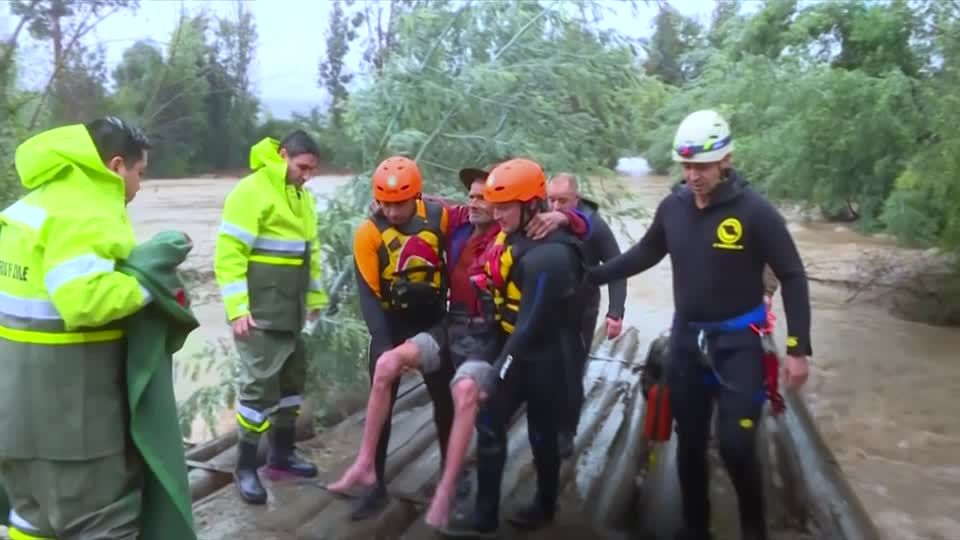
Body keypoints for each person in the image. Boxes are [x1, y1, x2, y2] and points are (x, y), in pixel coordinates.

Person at [587, 109, 812, 540]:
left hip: (739, 346)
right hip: (688, 340)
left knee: (735, 444)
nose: (693, 175)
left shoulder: (755, 211)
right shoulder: (673, 207)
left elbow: (793, 275)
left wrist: (798, 349)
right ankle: (695, 528)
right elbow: (647, 252)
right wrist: (593, 274)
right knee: (687, 441)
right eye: (687, 165)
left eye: (703, 166)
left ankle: (753, 528)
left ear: (725, 160)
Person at [328, 158, 589, 525]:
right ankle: (370, 471)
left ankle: (472, 489)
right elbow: (427, 207)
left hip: (496, 337)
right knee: (393, 370)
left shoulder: (518, 236)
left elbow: (582, 228)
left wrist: (567, 217)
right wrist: (393, 203)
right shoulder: (457, 227)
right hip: (446, 327)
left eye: (492, 200)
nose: (484, 206)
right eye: (475, 198)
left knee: (467, 407)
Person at [0, 117, 152, 539]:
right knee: (105, 524)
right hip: (71, 425)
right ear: (116, 166)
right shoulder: (89, 206)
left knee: (31, 520)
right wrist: (147, 287)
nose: (139, 188)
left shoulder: (33, 205)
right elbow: (83, 300)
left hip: (12, 419)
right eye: (140, 175)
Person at [438, 158, 588, 537]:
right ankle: (484, 516)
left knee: (541, 435)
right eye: (495, 205)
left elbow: (528, 328)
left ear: (531, 205)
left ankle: (546, 503)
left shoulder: (549, 257)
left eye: (505, 207)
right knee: (489, 425)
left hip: (546, 356)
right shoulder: (512, 235)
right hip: (513, 345)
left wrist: (495, 374)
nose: (496, 213)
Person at [214, 130, 327, 505]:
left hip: (292, 315)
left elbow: (310, 255)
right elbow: (229, 254)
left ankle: (282, 456)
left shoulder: (303, 197)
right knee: (258, 392)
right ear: (283, 156)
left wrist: (315, 299)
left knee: (291, 387)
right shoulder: (251, 192)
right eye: (302, 166)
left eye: (312, 169)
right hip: (259, 315)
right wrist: (236, 309)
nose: (306, 175)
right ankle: (245, 467)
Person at [546, 172, 627, 458]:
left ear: (576, 200)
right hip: (547, 307)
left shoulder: (595, 226)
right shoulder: (541, 219)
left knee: (571, 370)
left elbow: (618, 268)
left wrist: (615, 312)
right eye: (551, 200)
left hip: (582, 310)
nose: (555, 207)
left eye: (563, 201)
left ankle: (567, 431)